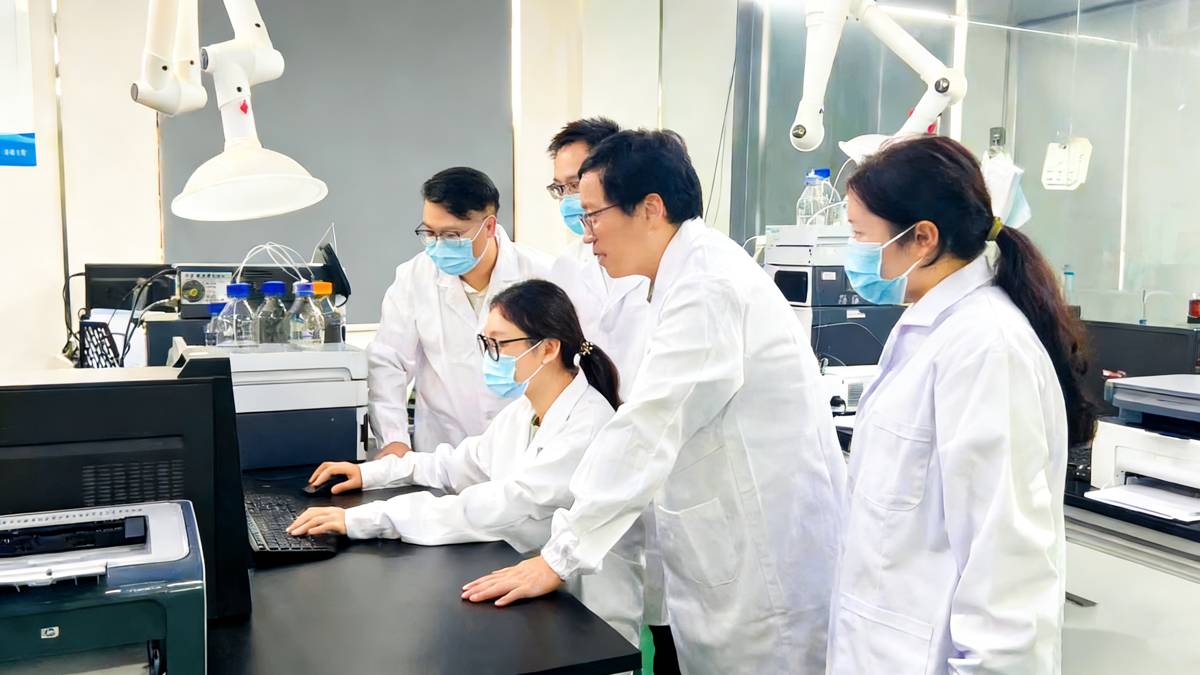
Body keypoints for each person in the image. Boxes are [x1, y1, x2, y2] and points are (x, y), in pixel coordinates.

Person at [462, 130, 848, 674]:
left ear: (650, 208)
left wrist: (560, 556)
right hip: (725, 547)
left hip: (763, 567)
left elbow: (649, 428)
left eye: (593, 215)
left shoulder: (707, 286)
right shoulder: (679, 277)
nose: (586, 234)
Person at [825, 135, 1097, 673]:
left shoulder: (986, 348)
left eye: (859, 235)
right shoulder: (930, 326)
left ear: (922, 238)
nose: (850, 251)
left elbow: (1007, 568)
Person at [290, 280, 644, 646]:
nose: (489, 357)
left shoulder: (587, 426)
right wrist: (371, 472)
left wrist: (369, 518)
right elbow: (457, 464)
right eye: (486, 343)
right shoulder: (525, 411)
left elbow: (498, 506)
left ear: (548, 349)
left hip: (591, 618)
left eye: (499, 344)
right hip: (543, 604)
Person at [545, 118, 676, 672]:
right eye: (560, 188)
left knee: (667, 630)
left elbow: (657, 414)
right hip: (601, 459)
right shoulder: (567, 268)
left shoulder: (675, 272)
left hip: (661, 466)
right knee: (603, 621)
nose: (573, 202)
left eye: (579, 186)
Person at [367, 167, 551, 458]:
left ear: (489, 227)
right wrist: (393, 440)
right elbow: (389, 362)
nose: (438, 245)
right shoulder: (414, 277)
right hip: (442, 450)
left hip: (524, 447)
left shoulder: (543, 274)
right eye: (430, 233)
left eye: (452, 235)